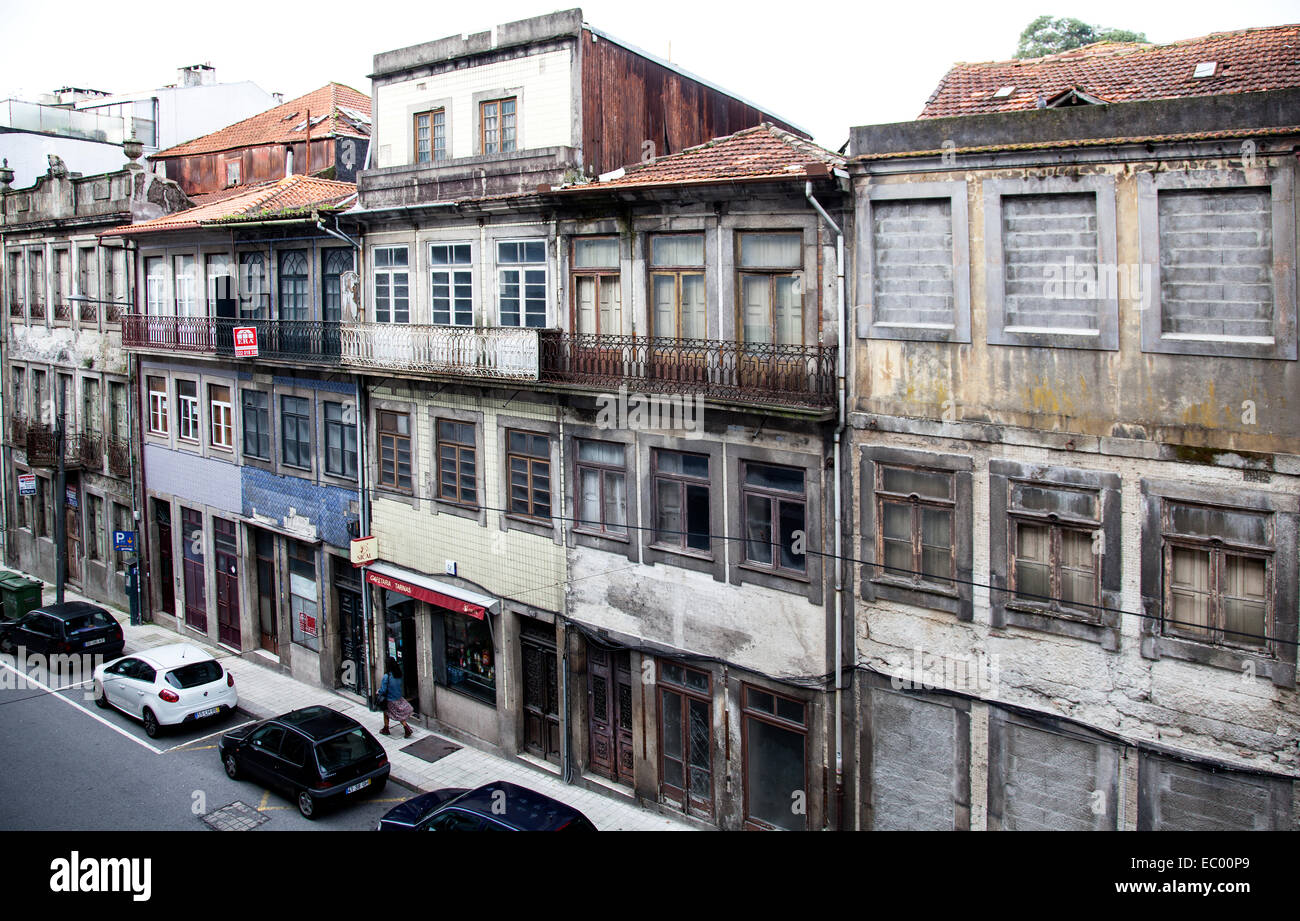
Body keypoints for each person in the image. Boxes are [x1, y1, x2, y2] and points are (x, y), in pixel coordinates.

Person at [378, 657, 414, 738]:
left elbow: (383, 690)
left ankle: (388, 729)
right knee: (397, 713)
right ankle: (404, 728)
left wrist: (378, 692)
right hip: (398, 697)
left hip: (390, 699)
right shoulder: (398, 674)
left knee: (389, 713)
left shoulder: (386, 677)